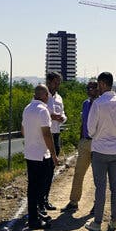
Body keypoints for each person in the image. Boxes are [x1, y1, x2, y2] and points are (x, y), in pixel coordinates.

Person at [86, 71, 116, 231]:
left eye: (98, 84)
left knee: (100, 187)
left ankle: (97, 222)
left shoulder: (98, 103)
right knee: (115, 186)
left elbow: (90, 130)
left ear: (103, 84)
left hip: (100, 150)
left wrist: (98, 135)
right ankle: (113, 220)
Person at [21, 84, 57, 229]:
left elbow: (23, 130)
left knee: (32, 186)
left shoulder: (27, 108)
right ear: (43, 96)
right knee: (40, 187)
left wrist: (31, 140)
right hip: (41, 154)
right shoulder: (43, 111)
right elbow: (47, 135)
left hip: (30, 153)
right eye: (47, 94)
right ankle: (34, 220)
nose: (48, 97)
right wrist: (53, 154)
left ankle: (33, 215)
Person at [63, 79, 98, 212]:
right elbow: (83, 123)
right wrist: (80, 140)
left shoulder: (101, 104)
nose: (89, 90)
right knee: (79, 172)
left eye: (92, 88)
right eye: (88, 88)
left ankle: (97, 204)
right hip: (84, 142)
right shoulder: (85, 104)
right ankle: (73, 201)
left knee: (97, 176)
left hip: (97, 143)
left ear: (98, 89)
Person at [44, 71, 66, 209]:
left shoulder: (59, 98)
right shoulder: (42, 96)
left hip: (56, 135)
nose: (58, 85)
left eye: (59, 82)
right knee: (43, 170)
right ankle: (39, 201)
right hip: (44, 136)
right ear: (49, 82)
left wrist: (62, 118)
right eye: (56, 82)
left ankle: (45, 199)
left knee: (51, 169)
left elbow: (63, 113)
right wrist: (51, 116)